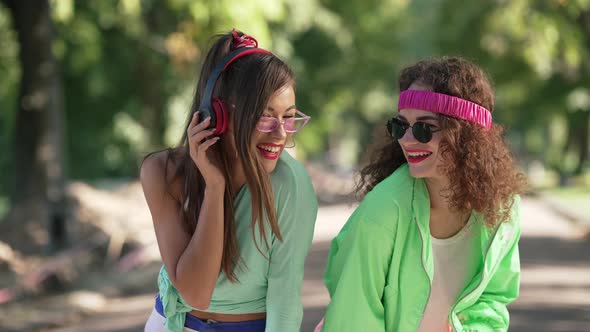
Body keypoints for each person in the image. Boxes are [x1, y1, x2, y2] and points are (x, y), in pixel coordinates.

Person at [318, 57, 527, 332]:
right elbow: (354, 311)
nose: (406, 139)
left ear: (465, 134)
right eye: (400, 126)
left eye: (424, 128)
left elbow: (495, 297)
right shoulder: (384, 209)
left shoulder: (503, 212)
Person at [141, 29, 318, 332]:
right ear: (219, 116)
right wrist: (214, 187)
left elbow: (284, 303)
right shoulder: (163, 173)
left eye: (288, 117)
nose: (281, 134)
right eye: (265, 116)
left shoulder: (291, 183)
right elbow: (195, 292)